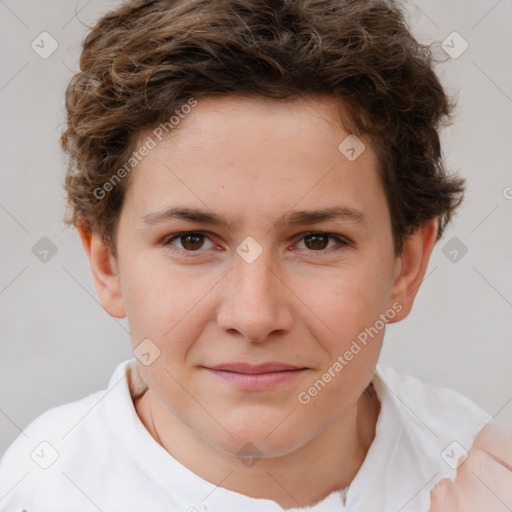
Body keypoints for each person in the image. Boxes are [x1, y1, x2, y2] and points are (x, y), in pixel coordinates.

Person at [0, 0, 510, 511]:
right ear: (107, 263)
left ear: (406, 265)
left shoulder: (476, 465)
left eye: (317, 240)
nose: (254, 316)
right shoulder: (35, 491)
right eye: (192, 240)